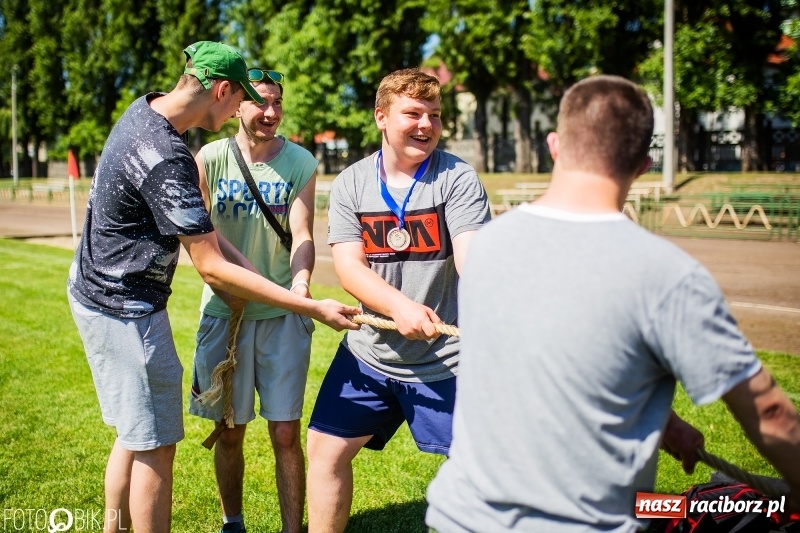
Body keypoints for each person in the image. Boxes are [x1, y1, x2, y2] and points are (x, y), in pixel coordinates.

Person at [425, 74, 800, 532]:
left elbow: (558, 358)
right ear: (644, 164)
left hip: (459, 518)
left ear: (554, 145)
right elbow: (772, 413)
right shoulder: (667, 275)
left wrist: (662, 422)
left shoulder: (487, 245)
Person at [67, 42, 359, 533]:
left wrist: (288, 284)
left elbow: (209, 235)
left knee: (134, 436)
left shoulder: (142, 112)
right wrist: (304, 305)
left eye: (275, 103)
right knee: (157, 443)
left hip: (101, 295)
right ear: (225, 92)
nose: (262, 112)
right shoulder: (174, 158)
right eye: (242, 99)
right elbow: (211, 266)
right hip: (128, 308)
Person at [305, 68, 491, 533]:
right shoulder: (351, 183)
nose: (426, 124)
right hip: (371, 354)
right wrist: (399, 308)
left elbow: (471, 257)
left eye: (435, 114)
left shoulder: (456, 178)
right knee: (326, 450)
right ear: (381, 117)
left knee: (487, 471)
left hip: (447, 360)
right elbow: (350, 267)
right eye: (414, 113)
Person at [188, 69, 316, 533]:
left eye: (278, 103)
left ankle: (292, 529)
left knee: (285, 431)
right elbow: (200, 240)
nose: (271, 112)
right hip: (225, 314)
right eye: (261, 102)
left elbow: (301, 234)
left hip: (282, 314)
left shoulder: (300, 161)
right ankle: (232, 523)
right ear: (237, 104)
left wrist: (300, 284)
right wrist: (230, 290)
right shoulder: (210, 158)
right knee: (231, 431)